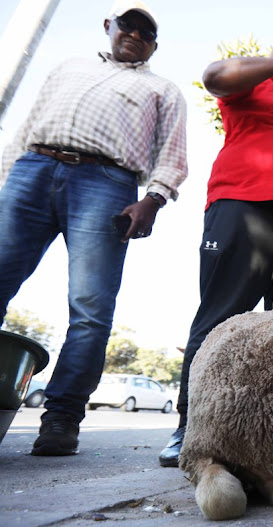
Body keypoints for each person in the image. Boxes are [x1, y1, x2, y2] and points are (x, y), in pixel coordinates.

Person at [0, 0, 187, 457]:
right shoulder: (68, 67)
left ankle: (61, 418)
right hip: (33, 168)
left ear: (154, 44)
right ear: (110, 26)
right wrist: (6, 179)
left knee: (90, 307)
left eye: (147, 32)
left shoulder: (163, 89)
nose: (136, 35)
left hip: (106, 183)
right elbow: (25, 129)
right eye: (129, 25)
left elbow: (172, 153)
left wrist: (153, 198)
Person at [158, 41, 273, 468]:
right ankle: (191, 427)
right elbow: (213, 76)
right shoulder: (254, 87)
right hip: (244, 212)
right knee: (220, 320)